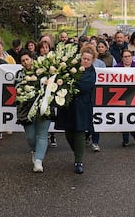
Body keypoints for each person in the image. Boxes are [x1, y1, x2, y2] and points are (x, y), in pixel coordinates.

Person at [55, 44, 97, 174]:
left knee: (79, 132)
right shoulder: (72, 67)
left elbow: (83, 86)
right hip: (68, 105)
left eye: (88, 59)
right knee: (68, 132)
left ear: (92, 60)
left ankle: (79, 161)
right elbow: (61, 79)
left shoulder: (91, 73)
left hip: (83, 106)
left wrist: (70, 84)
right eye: (84, 58)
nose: (85, 61)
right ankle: (79, 152)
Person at [15, 51, 51, 173]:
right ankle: (35, 151)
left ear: (32, 59)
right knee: (31, 136)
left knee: (42, 134)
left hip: (43, 107)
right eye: (23, 61)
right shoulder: (19, 74)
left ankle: (39, 161)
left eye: (27, 59)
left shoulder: (44, 71)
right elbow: (17, 88)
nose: (26, 62)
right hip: (26, 110)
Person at [115, 49, 135, 147]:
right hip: (121, 96)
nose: (127, 58)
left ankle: (134, 131)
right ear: (122, 58)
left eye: (129, 56)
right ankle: (125, 139)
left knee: (133, 116)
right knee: (123, 116)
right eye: (125, 57)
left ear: (132, 57)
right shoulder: (116, 68)